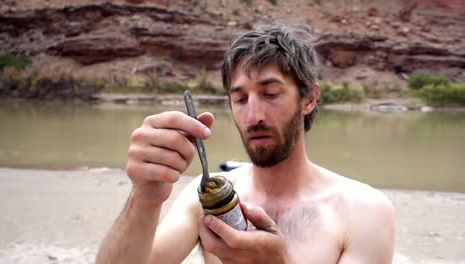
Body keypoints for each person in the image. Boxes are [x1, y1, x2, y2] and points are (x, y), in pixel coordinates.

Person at [96, 24, 395, 264]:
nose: (253, 116)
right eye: (240, 99)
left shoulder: (365, 211)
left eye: (270, 94)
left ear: (309, 99)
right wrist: (145, 196)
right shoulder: (202, 198)